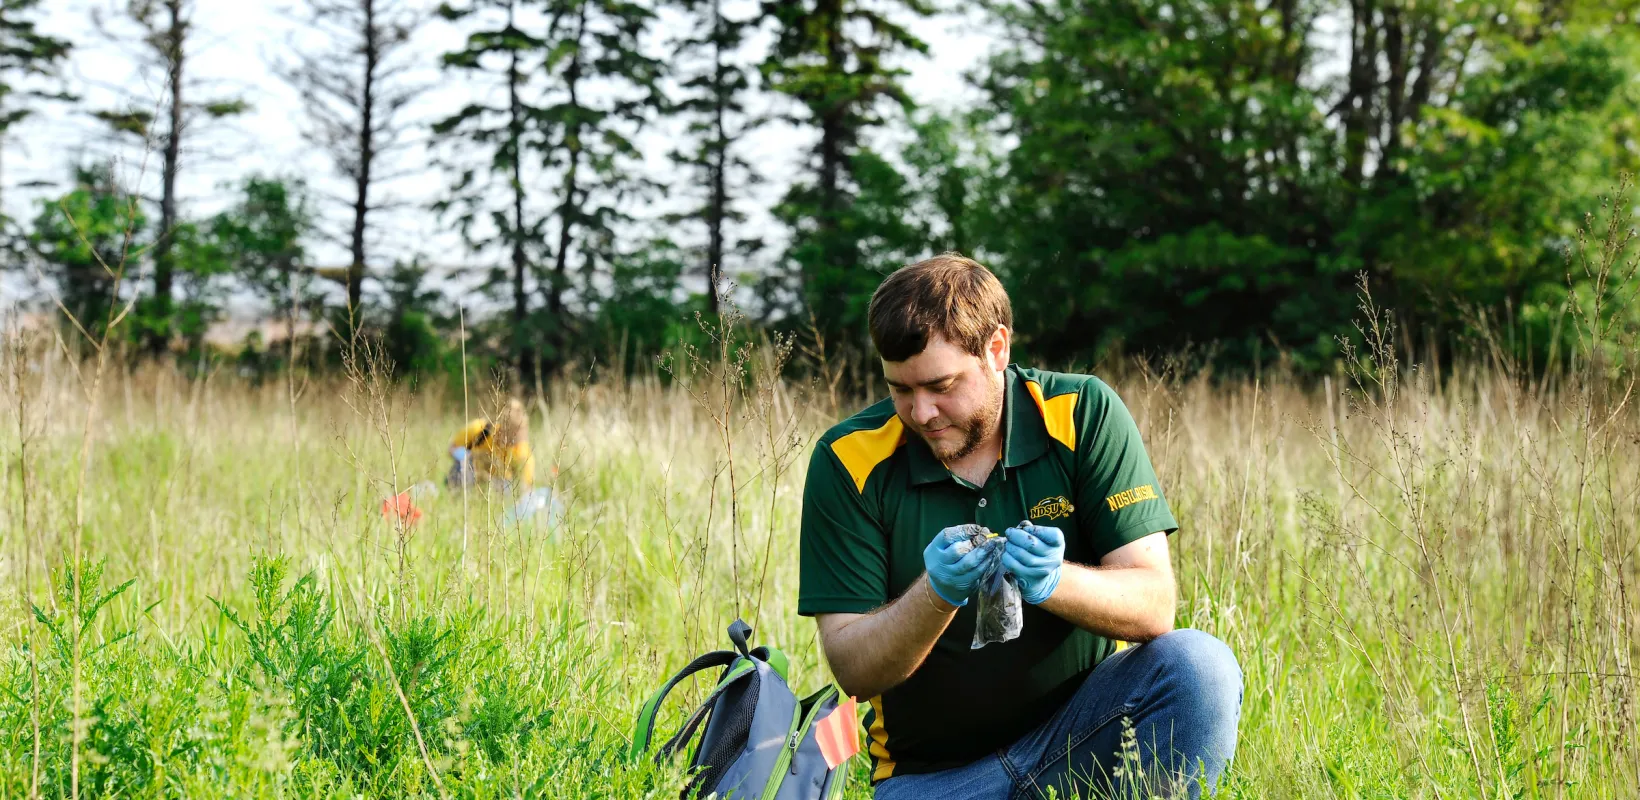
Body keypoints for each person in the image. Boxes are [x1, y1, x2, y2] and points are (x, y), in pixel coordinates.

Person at [799, 254, 1242, 799]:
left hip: (1082, 745)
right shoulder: (847, 459)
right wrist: (934, 594)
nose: (922, 412)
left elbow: (1153, 605)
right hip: (934, 781)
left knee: (1201, 667)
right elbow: (853, 668)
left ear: (997, 349)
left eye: (941, 385)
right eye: (901, 389)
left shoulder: (1081, 413)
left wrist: (1056, 581)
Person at [447, 398, 536, 491]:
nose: (511, 444)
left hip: (496, 486)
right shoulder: (480, 430)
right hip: (469, 476)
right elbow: (451, 448)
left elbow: (527, 487)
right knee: (463, 470)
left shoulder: (522, 452)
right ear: (502, 428)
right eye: (511, 438)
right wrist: (468, 457)